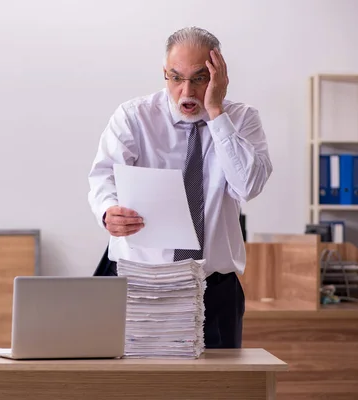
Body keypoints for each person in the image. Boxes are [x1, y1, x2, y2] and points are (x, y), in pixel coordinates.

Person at [87, 26, 273, 349]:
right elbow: (103, 175)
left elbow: (248, 185)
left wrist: (216, 113)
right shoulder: (134, 117)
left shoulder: (243, 120)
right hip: (138, 283)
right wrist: (107, 211)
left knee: (217, 392)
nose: (186, 91)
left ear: (219, 75)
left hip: (212, 289)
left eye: (199, 78)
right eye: (175, 78)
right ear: (164, 74)